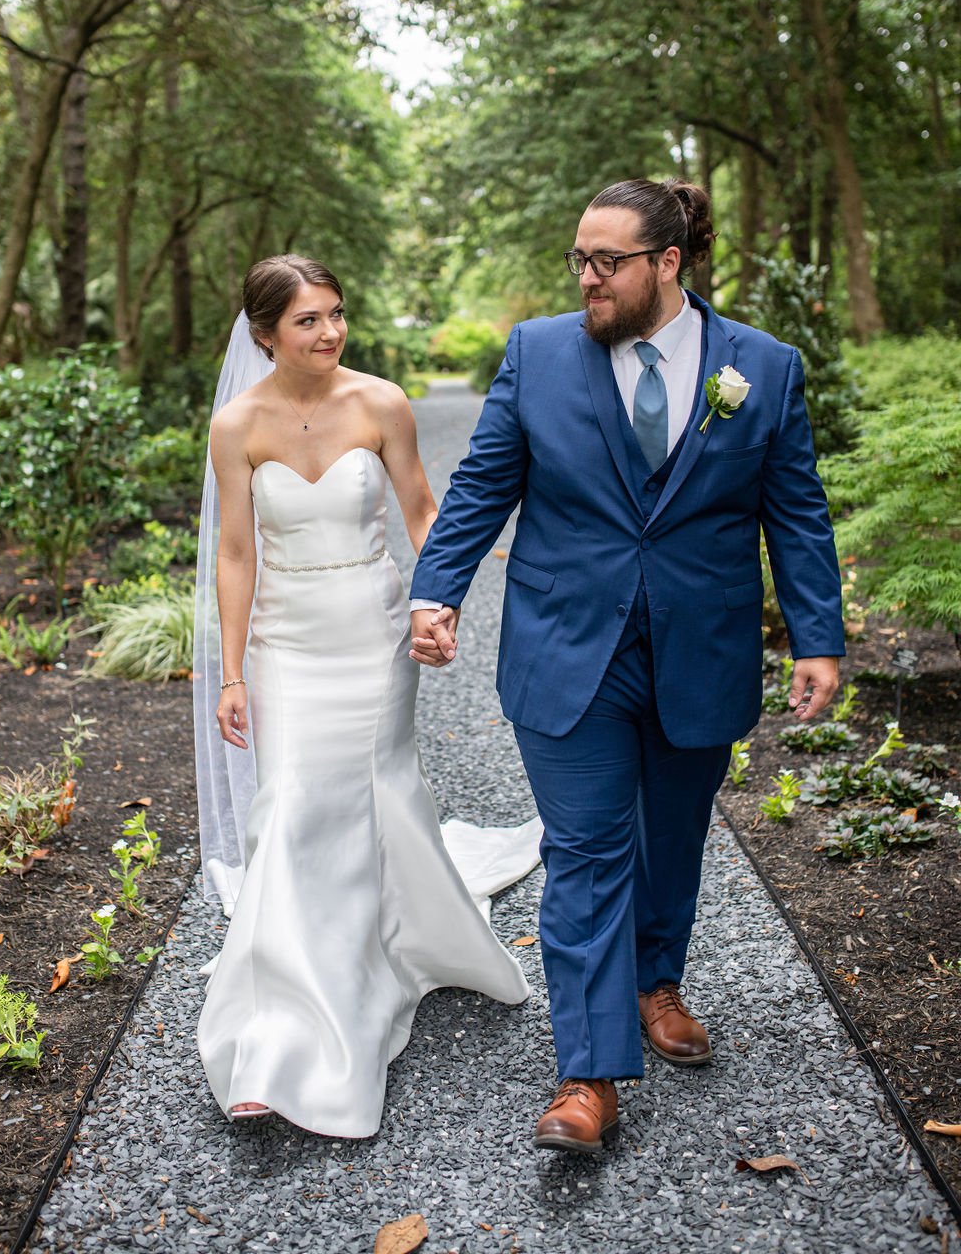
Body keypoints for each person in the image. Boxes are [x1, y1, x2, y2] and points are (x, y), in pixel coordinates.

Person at [409, 178, 844, 1154]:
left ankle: (655, 983)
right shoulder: (538, 353)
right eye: (580, 260)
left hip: (702, 646)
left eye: (608, 262)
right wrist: (437, 590)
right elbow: (482, 484)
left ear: (667, 263)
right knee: (587, 852)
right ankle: (588, 1074)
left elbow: (796, 511)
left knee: (671, 838)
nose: (588, 278)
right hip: (569, 646)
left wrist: (817, 636)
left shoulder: (761, 370)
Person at [193, 254, 537, 1134]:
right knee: (296, 806)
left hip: (372, 631)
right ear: (264, 333)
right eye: (308, 320)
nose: (331, 332)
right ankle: (275, 1038)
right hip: (284, 643)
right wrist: (231, 674)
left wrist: (440, 601)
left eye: (336, 314)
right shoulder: (236, 425)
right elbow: (236, 555)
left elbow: (424, 512)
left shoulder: (380, 402)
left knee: (374, 792)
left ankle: (384, 944)